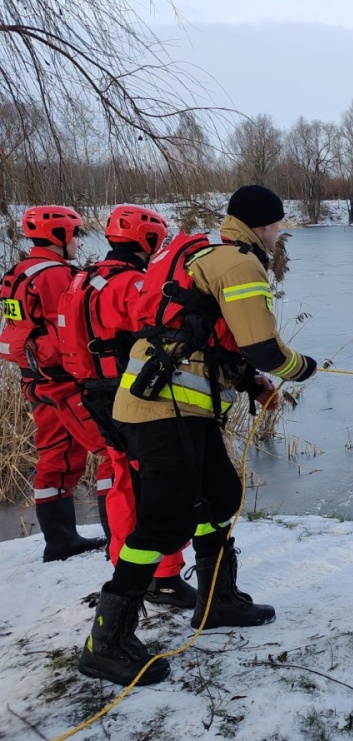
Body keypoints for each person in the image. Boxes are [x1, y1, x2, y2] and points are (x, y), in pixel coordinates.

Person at [77, 185, 317, 686]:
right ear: (262, 225)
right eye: (277, 225)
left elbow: (211, 340)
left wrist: (253, 381)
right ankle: (108, 640)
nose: (279, 235)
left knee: (221, 496)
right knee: (164, 520)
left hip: (183, 407)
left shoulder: (214, 256)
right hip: (161, 408)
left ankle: (215, 602)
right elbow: (264, 347)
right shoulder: (239, 263)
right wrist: (302, 369)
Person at [57, 205, 197, 607]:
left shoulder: (83, 279)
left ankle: (126, 564)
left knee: (123, 479)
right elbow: (160, 322)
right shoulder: (128, 283)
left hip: (92, 391)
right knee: (157, 487)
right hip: (129, 395)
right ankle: (164, 577)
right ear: (148, 240)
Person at [0, 205, 110, 562]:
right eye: (76, 234)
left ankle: (60, 541)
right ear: (59, 236)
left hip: (35, 381)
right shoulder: (56, 276)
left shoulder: (19, 271)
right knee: (112, 450)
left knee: (56, 456)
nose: (79, 241)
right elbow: (70, 331)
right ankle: (122, 538)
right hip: (63, 382)